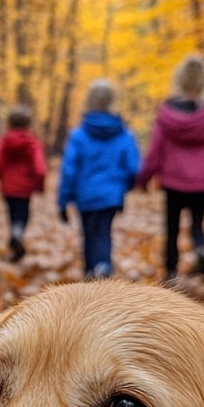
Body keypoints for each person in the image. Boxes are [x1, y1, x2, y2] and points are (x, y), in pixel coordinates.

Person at [137, 54, 204, 280]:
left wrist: (144, 178)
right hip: (201, 182)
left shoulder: (166, 114)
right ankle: (199, 250)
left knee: (172, 226)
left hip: (172, 181)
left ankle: (170, 268)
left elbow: (155, 149)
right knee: (197, 222)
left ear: (179, 80)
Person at [58, 80, 140, 278]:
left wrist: (63, 200)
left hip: (86, 195)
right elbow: (133, 167)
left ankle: (90, 273)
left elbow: (69, 170)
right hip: (111, 195)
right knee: (104, 231)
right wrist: (123, 188)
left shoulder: (79, 135)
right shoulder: (124, 134)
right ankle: (103, 265)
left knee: (89, 234)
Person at [0, 107, 46, 261]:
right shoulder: (33, 142)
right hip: (25, 187)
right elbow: (40, 168)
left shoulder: (5, 141)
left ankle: (14, 235)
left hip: (8, 186)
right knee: (24, 214)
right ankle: (17, 232)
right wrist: (39, 185)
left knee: (12, 213)